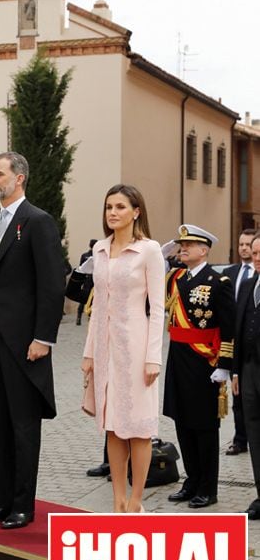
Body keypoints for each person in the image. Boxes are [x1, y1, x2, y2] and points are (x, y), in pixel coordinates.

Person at [0, 152, 65, 529]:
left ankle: (23, 506)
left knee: (24, 425)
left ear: (19, 178)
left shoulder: (38, 222)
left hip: (28, 341)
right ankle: (2, 501)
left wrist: (44, 337)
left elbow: (52, 284)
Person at [81, 184, 165, 513]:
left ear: (136, 211)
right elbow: (97, 307)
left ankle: (136, 500)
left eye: (119, 207)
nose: (112, 213)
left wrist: (153, 358)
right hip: (105, 348)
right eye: (108, 207)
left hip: (137, 346)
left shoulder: (149, 250)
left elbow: (158, 308)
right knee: (113, 425)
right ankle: (117, 500)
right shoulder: (100, 251)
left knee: (138, 426)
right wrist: (89, 353)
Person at [164, 224, 235, 509]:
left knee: (204, 427)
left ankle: (208, 487)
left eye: (189, 245)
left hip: (205, 361)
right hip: (178, 359)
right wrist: (161, 255)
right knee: (183, 422)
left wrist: (225, 366)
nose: (183, 249)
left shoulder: (219, 282)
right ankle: (191, 480)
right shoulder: (174, 278)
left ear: (203, 250)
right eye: (181, 245)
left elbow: (228, 327)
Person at [231, 232, 260, 518]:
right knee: (254, 432)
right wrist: (236, 370)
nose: (257, 258)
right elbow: (238, 329)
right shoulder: (249, 284)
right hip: (249, 370)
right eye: (254, 253)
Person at [223, 228, 256, 455]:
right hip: (238, 345)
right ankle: (240, 438)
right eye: (242, 245)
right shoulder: (232, 274)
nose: (245, 249)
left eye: (250, 246)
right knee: (239, 399)